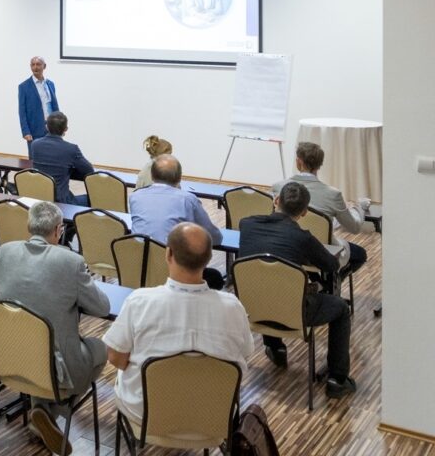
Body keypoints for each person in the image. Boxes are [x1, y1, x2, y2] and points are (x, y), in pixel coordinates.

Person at [103, 223, 256, 421]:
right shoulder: (233, 307)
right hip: (214, 417)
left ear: (168, 254)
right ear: (209, 258)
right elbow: (245, 352)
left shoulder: (139, 301)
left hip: (148, 415)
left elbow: (116, 357)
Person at [0, 201, 110, 452]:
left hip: (10, 358)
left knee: (39, 347)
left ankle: (41, 411)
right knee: (101, 349)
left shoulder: (6, 252)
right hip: (56, 365)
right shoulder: (71, 262)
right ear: (59, 230)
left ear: (29, 226)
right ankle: (53, 410)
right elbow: (102, 308)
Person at [239, 182, 356, 398]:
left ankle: (275, 348)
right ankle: (337, 379)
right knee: (340, 308)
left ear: (276, 201)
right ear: (304, 213)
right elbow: (331, 266)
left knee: (265, 284)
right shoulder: (303, 238)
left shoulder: (246, 225)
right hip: (294, 314)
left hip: (251, 309)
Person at [129, 154, 225, 289]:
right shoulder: (188, 199)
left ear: (152, 175)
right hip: (174, 274)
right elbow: (214, 237)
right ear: (180, 178)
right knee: (215, 278)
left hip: (138, 269)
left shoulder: (135, 196)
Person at [272, 142, 369, 272]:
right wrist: (359, 208)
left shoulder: (279, 187)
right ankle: (333, 280)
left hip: (285, 245)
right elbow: (354, 227)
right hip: (322, 251)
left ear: (298, 161)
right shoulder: (333, 194)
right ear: (319, 165)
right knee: (360, 254)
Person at [27, 112, 92, 205]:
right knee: (95, 198)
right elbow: (89, 170)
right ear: (66, 129)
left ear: (46, 127)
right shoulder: (71, 149)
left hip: (40, 198)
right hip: (61, 203)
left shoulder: (35, 145)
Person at [18, 56, 59, 158]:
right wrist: (25, 131)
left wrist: (59, 125)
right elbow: (22, 111)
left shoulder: (50, 84)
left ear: (44, 66)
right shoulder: (24, 86)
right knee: (35, 159)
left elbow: (55, 106)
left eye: (38, 64)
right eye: (33, 65)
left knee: (52, 157)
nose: (35, 67)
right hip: (34, 130)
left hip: (51, 128)